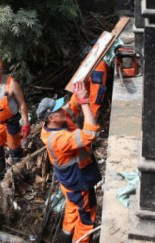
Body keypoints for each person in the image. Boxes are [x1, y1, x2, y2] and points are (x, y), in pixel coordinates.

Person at [39, 81, 101, 243]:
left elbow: (73, 104)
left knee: (73, 209)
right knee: (87, 216)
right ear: (51, 117)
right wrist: (86, 103)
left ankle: (64, 239)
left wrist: (82, 80)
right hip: (78, 183)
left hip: (69, 184)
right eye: (58, 109)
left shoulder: (54, 122)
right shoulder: (58, 139)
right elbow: (89, 134)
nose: (63, 109)